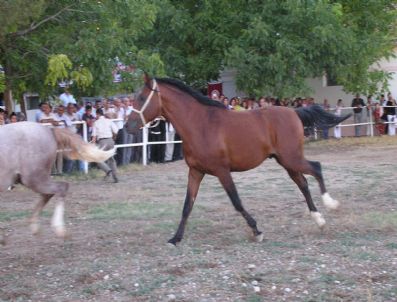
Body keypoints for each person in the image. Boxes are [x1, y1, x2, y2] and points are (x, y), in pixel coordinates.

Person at [91, 108, 119, 182]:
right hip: (110, 140)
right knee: (111, 159)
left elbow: (94, 136)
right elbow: (116, 131)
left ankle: (108, 170)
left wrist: (93, 145)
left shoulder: (96, 123)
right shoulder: (109, 121)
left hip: (102, 141)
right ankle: (115, 176)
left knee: (97, 158)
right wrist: (113, 138)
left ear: (97, 114)